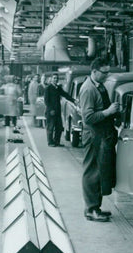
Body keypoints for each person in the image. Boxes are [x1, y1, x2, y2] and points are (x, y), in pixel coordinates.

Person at [78, 59, 120, 222]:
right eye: (104, 72)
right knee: (92, 172)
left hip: (102, 135)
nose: (107, 75)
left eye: (108, 72)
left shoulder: (99, 86)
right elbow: (87, 117)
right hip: (94, 136)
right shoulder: (88, 90)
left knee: (100, 171)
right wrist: (108, 112)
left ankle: (96, 207)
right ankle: (91, 209)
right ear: (94, 71)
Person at [43, 73, 74, 147]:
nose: (55, 79)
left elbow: (65, 94)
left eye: (57, 78)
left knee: (59, 127)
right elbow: (46, 101)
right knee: (50, 127)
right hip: (51, 112)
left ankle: (57, 142)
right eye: (54, 78)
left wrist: (73, 100)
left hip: (57, 111)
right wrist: (51, 110)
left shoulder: (58, 88)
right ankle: (50, 142)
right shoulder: (48, 88)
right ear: (51, 79)